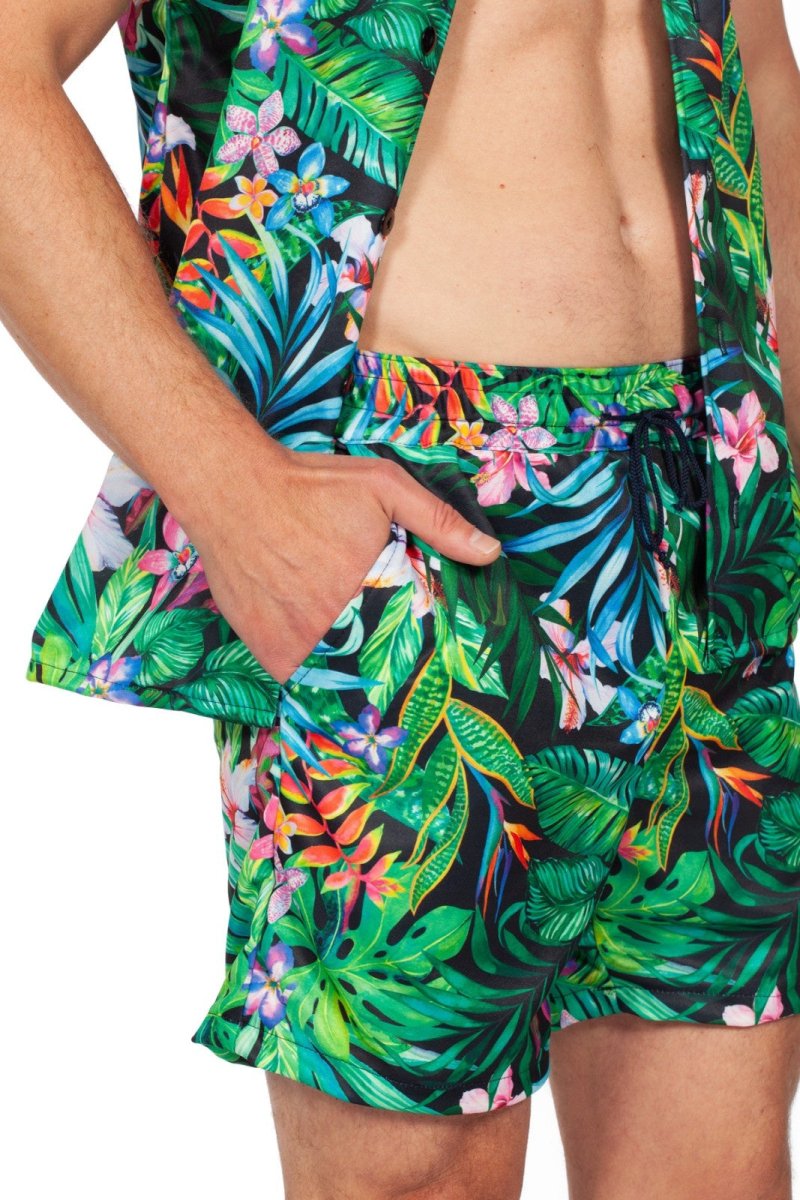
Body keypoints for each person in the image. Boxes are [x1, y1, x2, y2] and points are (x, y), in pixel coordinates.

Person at [4, 0, 800, 1196]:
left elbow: (757, 70)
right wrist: (232, 488)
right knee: (413, 1175)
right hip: (408, 525)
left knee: (720, 1168)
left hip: (708, 514)